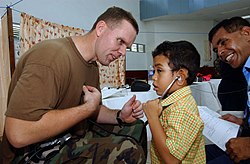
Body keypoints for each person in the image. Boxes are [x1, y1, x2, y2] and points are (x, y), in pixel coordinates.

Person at [0, 6, 147, 163]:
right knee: (128, 151)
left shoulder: (92, 66)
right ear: (101, 28)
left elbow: (92, 111)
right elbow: (18, 134)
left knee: (137, 127)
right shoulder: (51, 57)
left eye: (127, 47)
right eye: (120, 41)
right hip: (31, 152)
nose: (123, 52)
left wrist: (119, 115)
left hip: (69, 136)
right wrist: (86, 109)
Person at [142, 40, 206, 163]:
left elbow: (171, 159)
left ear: (180, 77)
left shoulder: (182, 109)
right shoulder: (171, 101)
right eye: (154, 71)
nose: (154, 77)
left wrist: (153, 118)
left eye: (159, 71)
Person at [206, 16, 250, 164]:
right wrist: (243, 122)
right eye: (216, 49)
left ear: (246, 33)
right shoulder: (246, 72)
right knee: (195, 153)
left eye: (223, 42)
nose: (220, 53)